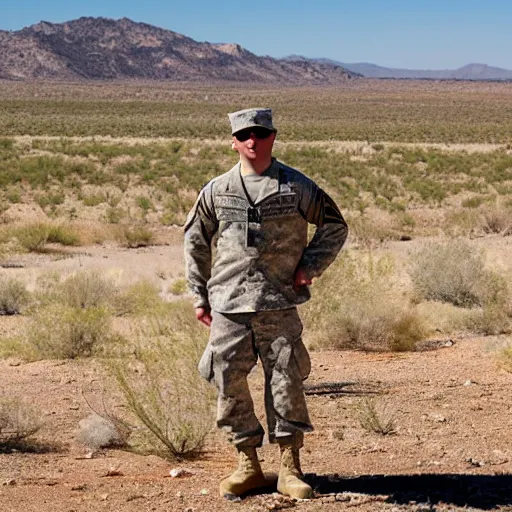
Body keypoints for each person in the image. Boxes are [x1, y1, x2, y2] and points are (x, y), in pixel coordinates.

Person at [184, 108, 348, 500]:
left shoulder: (296, 186)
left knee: (286, 379)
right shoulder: (217, 190)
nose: (252, 141)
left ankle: (290, 468)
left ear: (273, 136)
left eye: (260, 133)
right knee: (227, 379)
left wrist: (309, 265)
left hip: (277, 302)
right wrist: (199, 295)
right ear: (234, 142)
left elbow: (334, 225)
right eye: (244, 135)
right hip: (228, 303)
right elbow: (194, 242)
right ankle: (248, 464)